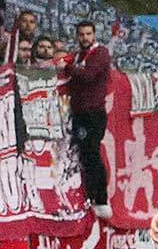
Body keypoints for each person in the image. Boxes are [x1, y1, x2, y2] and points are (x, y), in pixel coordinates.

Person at [56, 20, 112, 219]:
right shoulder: (78, 55)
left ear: (94, 35)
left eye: (88, 34)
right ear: (77, 36)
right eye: (81, 34)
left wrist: (68, 67)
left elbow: (89, 75)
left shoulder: (100, 53)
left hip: (93, 114)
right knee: (85, 156)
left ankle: (101, 199)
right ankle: (90, 197)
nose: (85, 38)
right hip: (79, 113)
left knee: (92, 153)